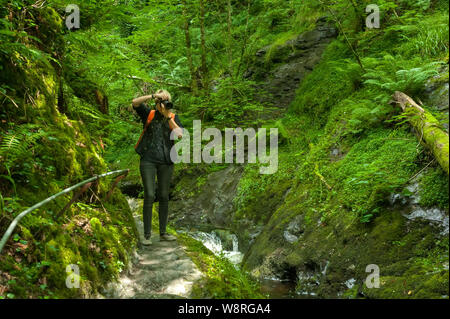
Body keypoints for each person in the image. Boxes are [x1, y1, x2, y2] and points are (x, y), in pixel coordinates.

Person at [131, 89, 183, 245]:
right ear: (156, 102)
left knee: (164, 195)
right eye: (162, 100)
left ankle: (163, 233)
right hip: (148, 160)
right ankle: (146, 235)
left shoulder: (173, 117)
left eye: (166, 100)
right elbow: (135, 102)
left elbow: (180, 134)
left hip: (166, 162)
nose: (164, 103)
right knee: (149, 194)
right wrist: (153, 96)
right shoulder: (149, 114)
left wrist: (168, 116)